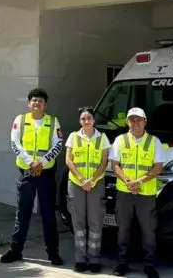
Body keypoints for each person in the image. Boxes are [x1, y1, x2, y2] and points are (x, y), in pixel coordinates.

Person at [0, 88, 64, 266]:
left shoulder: (53, 122)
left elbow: (58, 144)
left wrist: (41, 162)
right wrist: (31, 163)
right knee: (22, 213)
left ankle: (53, 253)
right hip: (26, 172)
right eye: (34, 100)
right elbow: (15, 143)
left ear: (45, 105)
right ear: (29, 103)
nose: (37, 103)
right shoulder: (20, 120)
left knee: (48, 215)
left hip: (46, 174)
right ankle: (15, 251)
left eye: (40, 101)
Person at [110, 107, 163, 278]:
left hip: (146, 192)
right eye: (131, 120)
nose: (135, 123)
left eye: (138, 119)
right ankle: (122, 263)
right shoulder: (120, 140)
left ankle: (149, 265)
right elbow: (115, 165)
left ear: (145, 121)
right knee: (123, 229)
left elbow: (158, 167)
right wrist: (128, 181)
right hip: (124, 191)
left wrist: (139, 182)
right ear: (127, 122)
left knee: (148, 230)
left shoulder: (154, 141)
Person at [65, 106, 110, 273]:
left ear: (94, 120)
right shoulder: (73, 137)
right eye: (83, 119)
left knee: (95, 221)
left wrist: (92, 180)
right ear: (80, 121)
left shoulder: (102, 138)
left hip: (95, 184)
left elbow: (104, 162)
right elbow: (68, 160)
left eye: (89, 118)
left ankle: (94, 258)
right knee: (78, 222)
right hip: (76, 183)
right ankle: (80, 259)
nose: (86, 121)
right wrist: (81, 179)